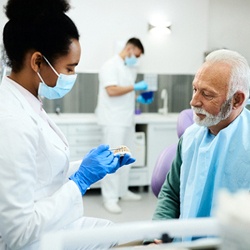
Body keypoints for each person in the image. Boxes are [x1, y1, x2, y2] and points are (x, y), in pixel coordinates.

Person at [0, 0, 135, 249]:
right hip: (31, 241)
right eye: (69, 68)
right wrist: (81, 180)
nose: (72, 77)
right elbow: (17, 232)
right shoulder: (12, 122)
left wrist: (85, 167)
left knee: (129, 236)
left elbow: (40, 172)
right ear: (37, 62)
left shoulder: (26, 101)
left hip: (50, 225)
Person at [152, 49, 250, 243]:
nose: (194, 101)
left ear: (237, 100)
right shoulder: (190, 137)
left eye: (207, 94)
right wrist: (159, 233)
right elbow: (171, 194)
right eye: (195, 89)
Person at [95, 38, 149, 213]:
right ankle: (109, 198)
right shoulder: (110, 65)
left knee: (126, 156)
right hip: (113, 120)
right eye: (137, 55)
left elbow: (124, 92)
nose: (137, 60)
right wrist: (134, 87)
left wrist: (137, 97)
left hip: (126, 119)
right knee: (113, 158)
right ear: (130, 49)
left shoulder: (126, 67)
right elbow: (111, 91)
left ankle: (122, 191)